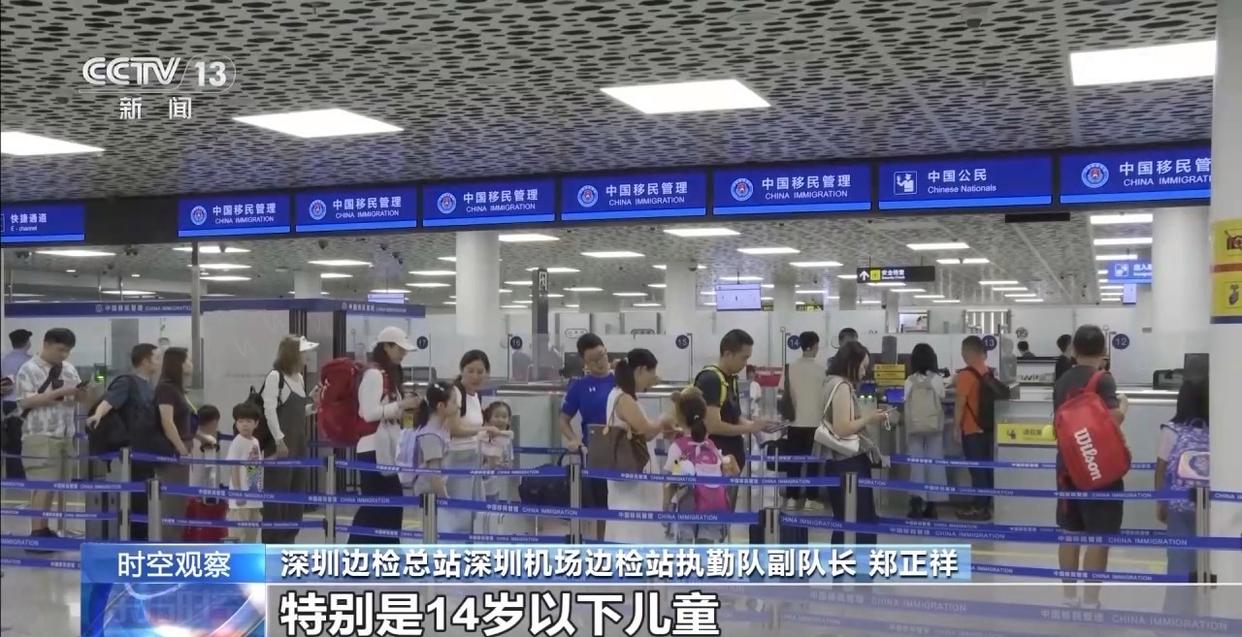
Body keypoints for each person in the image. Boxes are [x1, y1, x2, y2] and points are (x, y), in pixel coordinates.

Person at [1054, 325, 1128, 609]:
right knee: (1098, 536)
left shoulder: (1062, 380)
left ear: (1073, 350)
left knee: (1070, 533)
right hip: (1099, 467)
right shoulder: (1103, 379)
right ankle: (1090, 602)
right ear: (1104, 351)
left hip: (1068, 467)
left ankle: (1068, 598)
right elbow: (1112, 420)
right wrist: (1124, 406)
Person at [349, 327, 420, 544]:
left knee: (387, 505)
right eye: (399, 348)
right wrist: (401, 405)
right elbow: (369, 413)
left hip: (385, 448)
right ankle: (360, 552)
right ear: (386, 347)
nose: (403, 353)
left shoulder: (388, 376)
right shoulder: (374, 375)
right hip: (373, 448)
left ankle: (382, 550)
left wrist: (403, 409)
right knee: (378, 505)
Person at [14, 328, 85, 543]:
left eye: (68, 351)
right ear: (46, 344)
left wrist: (84, 393)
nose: (64, 355)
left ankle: (46, 528)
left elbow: (79, 398)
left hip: (65, 433)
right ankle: (36, 532)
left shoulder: (69, 369)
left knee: (55, 485)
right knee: (42, 485)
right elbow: (25, 401)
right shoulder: (28, 369)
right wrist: (58, 393)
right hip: (39, 434)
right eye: (60, 349)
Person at [87, 343, 160, 539]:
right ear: (145, 361)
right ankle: (134, 533)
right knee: (135, 492)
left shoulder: (149, 386)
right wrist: (98, 415)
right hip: (132, 449)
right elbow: (109, 401)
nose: (159, 362)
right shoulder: (128, 382)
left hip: (146, 448)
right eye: (156, 358)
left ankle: (142, 531)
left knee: (144, 492)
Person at [822, 340, 889, 545]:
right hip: (849, 462)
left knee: (844, 521)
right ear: (851, 363)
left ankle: (841, 561)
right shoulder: (841, 387)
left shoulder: (829, 382)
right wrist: (869, 417)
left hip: (835, 460)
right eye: (862, 366)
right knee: (860, 520)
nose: (863, 372)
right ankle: (859, 562)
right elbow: (842, 428)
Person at [259, 335, 320, 544]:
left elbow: (298, 411)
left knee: (295, 495)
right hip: (281, 446)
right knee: (277, 497)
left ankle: (288, 543)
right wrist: (279, 440)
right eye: (304, 352)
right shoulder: (276, 377)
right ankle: (272, 545)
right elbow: (269, 410)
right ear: (294, 353)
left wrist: (313, 406)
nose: (307, 356)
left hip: (298, 444)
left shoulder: (299, 378)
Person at [1155, 376, 1208, 611]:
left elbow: (1161, 469)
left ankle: (1175, 613)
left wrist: (1161, 502)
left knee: (1178, 559)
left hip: (1178, 505)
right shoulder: (1221, 429)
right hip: (1210, 505)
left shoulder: (1171, 429)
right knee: (1207, 559)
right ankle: (1205, 611)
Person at [605, 348, 668, 544]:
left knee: (632, 526)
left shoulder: (619, 395)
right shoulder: (624, 398)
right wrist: (664, 419)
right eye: (651, 374)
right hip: (632, 482)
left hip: (631, 477)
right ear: (640, 370)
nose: (651, 381)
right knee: (633, 527)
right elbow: (646, 432)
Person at [665, 387, 737, 544]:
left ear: (679, 417)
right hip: (711, 505)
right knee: (705, 548)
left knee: (684, 549)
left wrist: (665, 509)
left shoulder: (678, 447)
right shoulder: (710, 445)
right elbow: (725, 471)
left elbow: (670, 481)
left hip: (686, 504)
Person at [560, 333, 615, 537]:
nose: (599, 363)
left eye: (601, 356)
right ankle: (600, 544)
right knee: (600, 505)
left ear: (606, 351)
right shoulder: (579, 387)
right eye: (592, 360)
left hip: (622, 450)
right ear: (584, 362)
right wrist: (573, 439)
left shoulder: (621, 380)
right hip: (594, 452)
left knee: (621, 503)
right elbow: (563, 420)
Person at [696, 330, 769, 476]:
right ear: (728, 354)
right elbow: (713, 426)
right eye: (744, 358)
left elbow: (734, 417)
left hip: (731, 463)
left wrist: (758, 426)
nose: (745, 364)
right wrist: (748, 428)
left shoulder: (730, 379)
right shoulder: (711, 380)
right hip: (714, 464)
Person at [444, 349, 494, 534]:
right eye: (471, 371)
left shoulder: (475, 396)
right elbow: (454, 429)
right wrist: (483, 431)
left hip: (473, 458)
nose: (475, 376)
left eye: (480, 372)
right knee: (458, 515)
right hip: (455, 459)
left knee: (474, 512)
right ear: (462, 370)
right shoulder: (455, 393)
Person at [778, 330, 829, 510]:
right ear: (814, 346)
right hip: (816, 424)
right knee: (813, 462)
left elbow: (782, 394)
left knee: (794, 462)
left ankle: (792, 498)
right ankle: (810, 499)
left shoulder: (789, 368)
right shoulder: (822, 370)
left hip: (794, 423)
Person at [153, 347, 196, 536]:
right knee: (172, 504)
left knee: (179, 502)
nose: (191, 364)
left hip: (182, 449)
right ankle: (169, 544)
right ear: (178, 364)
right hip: (173, 453)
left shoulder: (178, 389)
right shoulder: (166, 388)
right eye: (188, 360)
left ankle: (176, 540)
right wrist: (180, 447)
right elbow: (167, 421)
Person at [903, 343, 948, 519]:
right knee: (935, 464)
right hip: (934, 427)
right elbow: (942, 396)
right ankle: (932, 506)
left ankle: (916, 504)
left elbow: (904, 399)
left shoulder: (909, 380)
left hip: (914, 428)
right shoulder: (937, 379)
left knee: (916, 465)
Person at [955, 335, 995, 521]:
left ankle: (979, 508)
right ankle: (985, 504)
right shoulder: (987, 371)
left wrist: (956, 428)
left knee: (976, 470)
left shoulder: (965, 375)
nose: (962, 355)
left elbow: (960, 404)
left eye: (963, 351)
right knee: (986, 468)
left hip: (972, 429)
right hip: (987, 428)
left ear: (968, 351)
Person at [407, 382, 456, 534]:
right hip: (429, 496)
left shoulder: (437, 431)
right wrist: (446, 500)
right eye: (454, 402)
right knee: (434, 535)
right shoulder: (430, 435)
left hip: (432, 495)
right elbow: (434, 475)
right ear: (441, 406)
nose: (458, 406)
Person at [225, 402, 264, 543]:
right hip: (240, 500)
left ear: (256, 423)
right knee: (237, 536)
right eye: (240, 421)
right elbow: (234, 467)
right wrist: (238, 492)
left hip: (254, 498)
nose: (244, 425)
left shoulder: (255, 441)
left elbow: (255, 467)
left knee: (252, 536)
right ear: (236, 424)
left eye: (248, 421)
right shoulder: (237, 442)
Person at [476, 401, 514, 535]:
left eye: (504, 416)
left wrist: (502, 465)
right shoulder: (480, 438)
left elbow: (509, 463)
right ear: (488, 419)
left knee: (493, 520)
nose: (500, 420)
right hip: (478, 487)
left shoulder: (507, 440)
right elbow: (478, 462)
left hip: (495, 487)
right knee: (478, 519)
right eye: (497, 416)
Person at [1, 329, 33, 397]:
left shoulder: (3, 359)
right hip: (22, 399)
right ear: (27, 342)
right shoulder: (29, 361)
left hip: (5, 399)